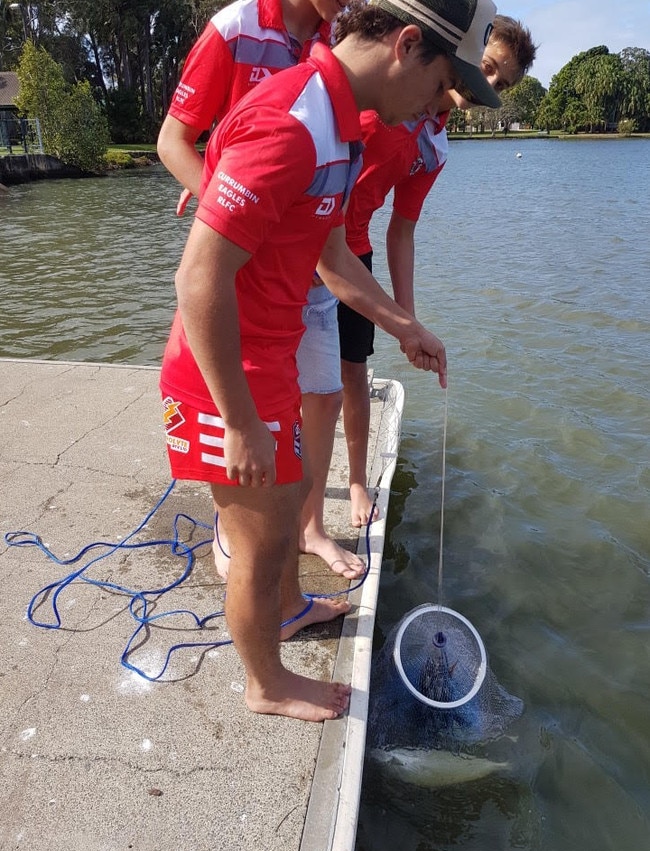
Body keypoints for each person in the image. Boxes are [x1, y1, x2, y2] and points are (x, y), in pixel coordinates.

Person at [159, 0, 500, 721]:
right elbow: (198, 278)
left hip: (271, 357)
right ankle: (266, 683)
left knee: (287, 512)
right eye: (442, 85)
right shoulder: (293, 123)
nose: (441, 105)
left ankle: (289, 607)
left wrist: (405, 325)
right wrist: (240, 419)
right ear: (407, 45)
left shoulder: (341, 126)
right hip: (228, 375)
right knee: (263, 537)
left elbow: (332, 257)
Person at [157, 0, 367, 582]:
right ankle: (241, 530)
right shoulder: (235, 28)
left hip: (314, 248)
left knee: (320, 396)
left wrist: (404, 318)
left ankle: (310, 528)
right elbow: (173, 141)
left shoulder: (344, 36)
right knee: (246, 410)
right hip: (251, 256)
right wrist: (229, 212)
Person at [335, 14, 537, 527]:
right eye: (487, 67)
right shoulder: (389, 80)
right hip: (303, 230)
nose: (488, 84)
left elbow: (401, 230)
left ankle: (357, 480)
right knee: (288, 371)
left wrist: (410, 325)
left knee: (351, 371)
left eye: (503, 82)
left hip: (350, 247)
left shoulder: (435, 145)